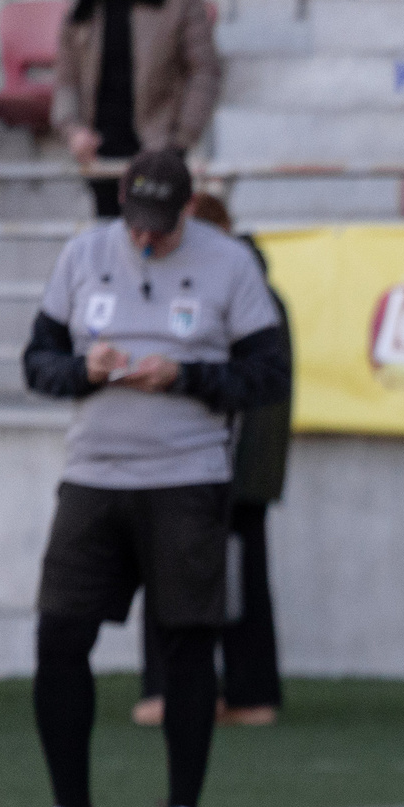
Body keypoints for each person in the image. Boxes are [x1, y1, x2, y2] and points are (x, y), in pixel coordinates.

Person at [9, 150, 291, 807]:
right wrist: (84, 370)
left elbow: (269, 374)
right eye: (135, 220)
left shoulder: (230, 263)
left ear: (188, 209)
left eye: (159, 224)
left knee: (187, 644)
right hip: (91, 477)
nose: (143, 236)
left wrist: (185, 375)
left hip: (187, 479)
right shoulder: (83, 254)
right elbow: (37, 362)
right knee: (58, 637)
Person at [132, 191, 290, 729]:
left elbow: (251, 389)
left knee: (187, 573)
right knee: (233, 578)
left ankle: (182, 690)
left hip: (217, 463)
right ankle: (243, 693)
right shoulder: (256, 291)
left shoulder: (237, 293)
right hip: (232, 464)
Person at [50, 0, 222, 219]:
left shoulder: (180, 1)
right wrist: (74, 131)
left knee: (158, 234)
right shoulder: (81, 9)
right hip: (101, 150)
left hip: (158, 146)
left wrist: (181, 138)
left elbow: (205, 71)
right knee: (108, 236)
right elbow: (66, 80)